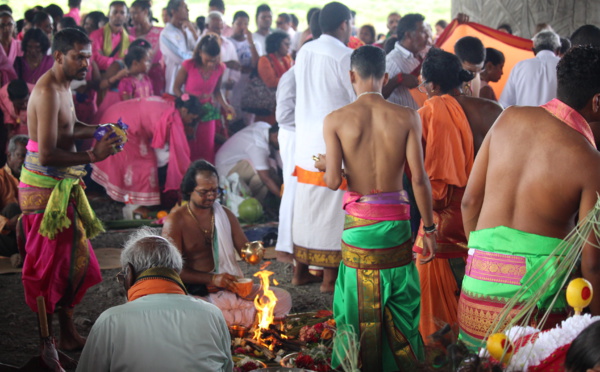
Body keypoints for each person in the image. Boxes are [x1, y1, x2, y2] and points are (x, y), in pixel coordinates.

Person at [458, 46, 600, 351]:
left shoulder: (508, 118)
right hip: (536, 310)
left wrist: (486, 262)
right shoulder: (589, 160)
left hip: (474, 298)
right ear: (597, 102)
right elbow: (592, 262)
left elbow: (469, 203)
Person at [315, 45, 434, 371]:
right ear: (384, 76)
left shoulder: (335, 120)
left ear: (351, 76)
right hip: (397, 226)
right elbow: (419, 180)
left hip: (359, 230)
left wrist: (328, 165)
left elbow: (331, 181)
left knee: (356, 306)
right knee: (400, 302)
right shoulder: (408, 116)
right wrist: (431, 229)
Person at [20, 28, 121, 368]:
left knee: (73, 262)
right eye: (79, 56)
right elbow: (47, 153)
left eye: (89, 57)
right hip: (43, 190)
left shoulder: (65, 85)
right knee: (48, 269)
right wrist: (94, 156)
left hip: (62, 185)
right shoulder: (47, 90)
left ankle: (65, 330)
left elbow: (70, 124)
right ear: (60, 56)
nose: (86, 64)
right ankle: (46, 344)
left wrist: (100, 130)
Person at [412, 48, 502, 343]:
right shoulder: (492, 110)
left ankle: (442, 348)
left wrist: (428, 228)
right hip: (487, 218)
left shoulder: (424, 116)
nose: (423, 91)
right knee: (485, 293)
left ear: (434, 86)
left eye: (424, 85)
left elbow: (422, 179)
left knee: (435, 311)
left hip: (445, 221)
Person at [76, 228, 234, 372]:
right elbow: (226, 367)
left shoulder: (110, 320)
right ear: (176, 272)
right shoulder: (212, 313)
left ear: (129, 274)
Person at [162, 160, 292, 327]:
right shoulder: (175, 221)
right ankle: (240, 321)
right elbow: (171, 271)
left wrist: (253, 252)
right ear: (188, 190)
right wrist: (213, 279)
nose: (211, 196)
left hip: (230, 287)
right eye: (203, 192)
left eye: (214, 190)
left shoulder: (225, 214)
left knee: (282, 298)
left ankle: (229, 323)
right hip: (195, 292)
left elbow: (245, 250)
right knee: (192, 314)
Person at [292, 1, 355, 293]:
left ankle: (300, 272)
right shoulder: (345, 56)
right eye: (350, 24)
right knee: (332, 210)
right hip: (331, 143)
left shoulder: (304, 50)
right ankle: (329, 280)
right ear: (343, 24)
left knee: (306, 207)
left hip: (304, 141)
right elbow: (357, 98)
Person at [92, 95, 202, 207]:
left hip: (117, 114)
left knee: (139, 160)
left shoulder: (170, 104)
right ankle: (135, 203)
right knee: (144, 164)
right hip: (122, 125)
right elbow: (177, 148)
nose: (190, 122)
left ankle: (124, 199)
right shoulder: (172, 117)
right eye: (192, 118)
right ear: (184, 110)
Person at [173, 34, 234, 163]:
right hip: (189, 112)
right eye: (208, 60)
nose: (212, 63)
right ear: (200, 53)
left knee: (207, 145)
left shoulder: (220, 68)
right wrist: (186, 102)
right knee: (189, 144)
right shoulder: (188, 65)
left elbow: (217, 90)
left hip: (207, 110)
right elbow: (176, 88)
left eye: (215, 59)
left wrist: (225, 106)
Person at [215, 122, 281, 204]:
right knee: (264, 177)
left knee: (270, 170)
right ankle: (252, 204)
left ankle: (257, 206)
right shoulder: (258, 145)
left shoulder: (264, 126)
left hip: (230, 162)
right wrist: (284, 198)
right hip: (225, 170)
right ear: (275, 136)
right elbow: (266, 178)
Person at [499, 31, 561, 108]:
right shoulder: (564, 66)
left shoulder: (519, 67)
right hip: (555, 120)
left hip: (523, 119)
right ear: (558, 50)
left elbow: (505, 104)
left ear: (534, 51)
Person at [382, 13, 427, 109]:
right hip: (407, 121)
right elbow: (377, 95)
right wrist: (397, 79)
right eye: (423, 32)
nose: (427, 36)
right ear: (409, 35)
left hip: (427, 119)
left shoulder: (424, 52)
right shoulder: (391, 61)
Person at [274, 66, 296, 263]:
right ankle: (285, 247)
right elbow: (283, 116)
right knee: (292, 188)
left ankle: (293, 244)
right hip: (293, 134)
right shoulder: (291, 76)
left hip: (302, 134)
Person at [160, 0, 199, 95]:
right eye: (184, 7)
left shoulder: (187, 31)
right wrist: (198, 57)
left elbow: (200, 48)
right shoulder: (166, 34)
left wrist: (193, 31)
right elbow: (180, 57)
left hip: (191, 82)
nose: (187, 10)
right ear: (173, 11)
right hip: (174, 82)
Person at [228, 11, 261, 123]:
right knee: (232, 116)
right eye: (239, 24)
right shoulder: (227, 43)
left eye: (246, 24)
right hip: (232, 86)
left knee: (247, 118)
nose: (242, 27)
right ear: (232, 24)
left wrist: (251, 42)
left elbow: (256, 64)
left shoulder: (254, 43)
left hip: (248, 86)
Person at [203, 11, 240, 107]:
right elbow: (201, 65)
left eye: (221, 28)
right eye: (216, 28)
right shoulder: (200, 44)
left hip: (223, 90)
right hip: (205, 91)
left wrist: (232, 80)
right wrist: (226, 64)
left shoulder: (228, 44)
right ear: (207, 26)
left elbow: (235, 66)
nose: (219, 32)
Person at [0, 135, 27, 261]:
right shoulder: (1, 178)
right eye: (21, 155)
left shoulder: (34, 179)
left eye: (30, 156)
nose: (26, 161)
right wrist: (7, 224)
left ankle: (22, 253)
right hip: (6, 237)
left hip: (26, 233)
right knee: (12, 208)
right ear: (9, 155)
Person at [129, 0, 165, 95]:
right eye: (131, 14)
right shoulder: (128, 33)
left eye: (135, 13)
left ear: (145, 12)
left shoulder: (161, 33)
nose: (132, 17)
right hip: (134, 80)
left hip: (155, 78)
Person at [257, 31, 292, 124]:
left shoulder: (287, 59)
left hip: (285, 103)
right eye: (286, 44)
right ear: (277, 44)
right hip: (269, 106)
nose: (289, 47)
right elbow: (271, 82)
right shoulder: (264, 60)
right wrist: (291, 81)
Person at [89, 1, 133, 72]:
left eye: (122, 13)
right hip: (101, 76)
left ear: (127, 17)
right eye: (115, 12)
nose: (118, 15)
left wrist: (105, 58)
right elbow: (94, 58)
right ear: (108, 14)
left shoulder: (131, 40)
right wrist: (120, 62)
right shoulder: (96, 35)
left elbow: (130, 61)